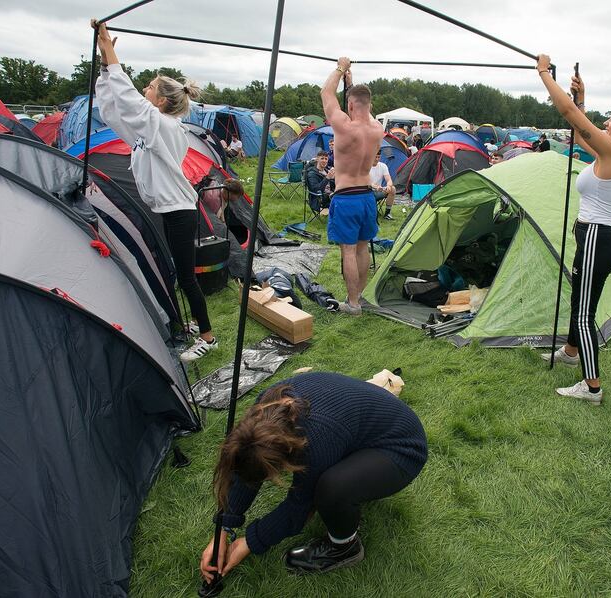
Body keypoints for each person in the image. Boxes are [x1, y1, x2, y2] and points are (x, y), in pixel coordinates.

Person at [199, 372, 427, 579]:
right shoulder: (263, 410)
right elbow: (245, 471)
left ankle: (344, 547)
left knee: (331, 489)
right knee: (322, 476)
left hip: (402, 449)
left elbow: (299, 507)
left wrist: (249, 542)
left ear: (287, 455)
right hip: (361, 433)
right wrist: (224, 528)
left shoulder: (318, 441)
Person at [91, 20, 218, 361]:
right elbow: (114, 112)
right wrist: (105, 69)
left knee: (187, 277)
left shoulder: (164, 125)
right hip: (168, 209)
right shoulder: (150, 130)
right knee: (177, 270)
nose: (145, 91)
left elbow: (131, 102)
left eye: (149, 88)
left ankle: (208, 336)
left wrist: (110, 51)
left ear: (160, 101)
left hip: (179, 211)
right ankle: (191, 323)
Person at [536, 54, 611, 404]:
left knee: (582, 311)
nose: (608, 121)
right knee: (582, 297)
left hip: (596, 238)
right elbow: (580, 128)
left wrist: (544, 73)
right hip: (604, 238)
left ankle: (592, 387)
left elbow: (570, 117)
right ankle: (571, 351)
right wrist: (581, 97)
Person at [320, 57, 383, 316]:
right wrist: (351, 81)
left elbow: (325, 92)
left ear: (349, 105)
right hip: (367, 196)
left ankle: (354, 303)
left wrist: (340, 67)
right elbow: (360, 104)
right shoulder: (378, 128)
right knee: (362, 247)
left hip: (346, 197)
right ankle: (359, 299)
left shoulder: (344, 126)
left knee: (348, 250)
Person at [369, 149, 396, 220]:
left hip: (379, 190)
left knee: (392, 189)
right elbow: (366, 182)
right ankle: (372, 213)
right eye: (375, 157)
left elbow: (389, 179)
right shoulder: (365, 167)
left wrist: (389, 186)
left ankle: (387, 213)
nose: (377, 159)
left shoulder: (383, 166)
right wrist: (375, 187)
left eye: (379, 157)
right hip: (368, 191)